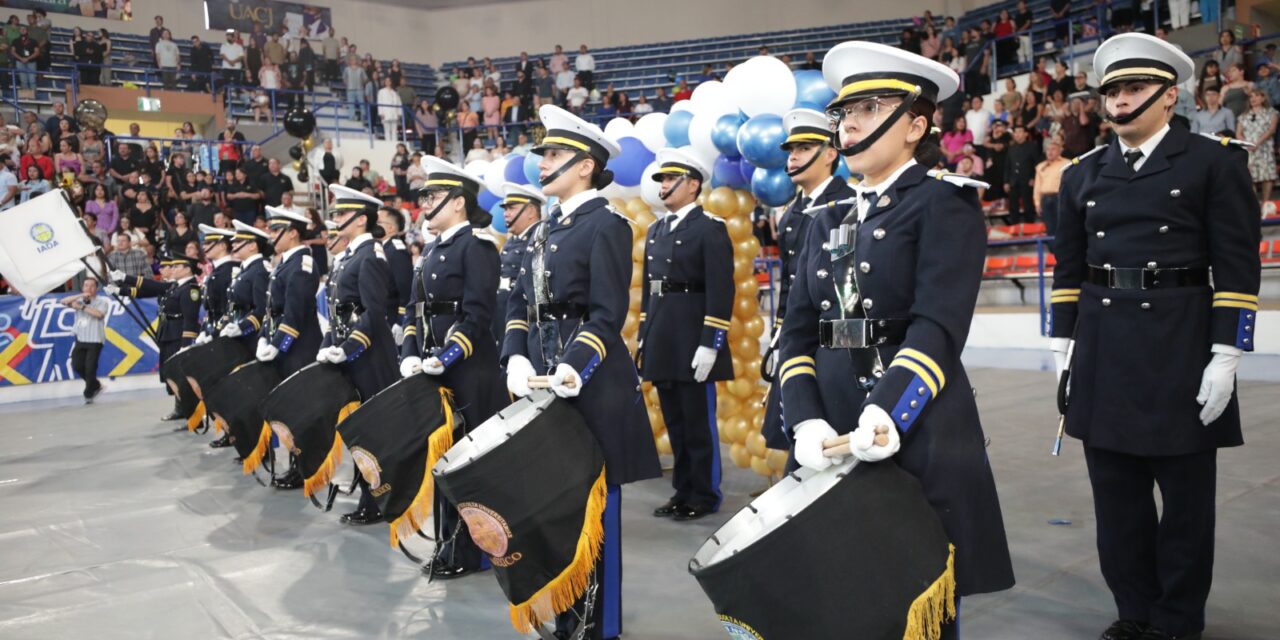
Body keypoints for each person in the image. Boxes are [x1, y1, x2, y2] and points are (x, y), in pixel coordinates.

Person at [779, 42, 1015, 639]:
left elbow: (937, 326)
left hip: (914, 427)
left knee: (915, 606)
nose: (850, 121)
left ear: (915, 124)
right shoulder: (824, 218)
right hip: (829, 424)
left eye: (872, 105)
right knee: (834, 596)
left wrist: (888, 407)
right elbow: (800, 329)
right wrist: (803, 418)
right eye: (845, 111)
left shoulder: (945, 203)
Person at [1050, 34, 1261, 640]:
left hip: (1181, 346)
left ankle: (1175, 621)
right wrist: (1062, 349)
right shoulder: (1085, 172)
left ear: (1170, 97)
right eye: (1111, 90)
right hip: (1104, 349)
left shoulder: (1213, 162)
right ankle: (1134, 613)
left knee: (1187, 507)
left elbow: (1238, 267)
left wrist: (1227, 353)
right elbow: (1068, 270)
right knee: (1117, 501)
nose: (1119, 101)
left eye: (1134, 89)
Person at [502, 105, 660, 640]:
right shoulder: (544, 230)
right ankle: (568, 607)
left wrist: (573, 366)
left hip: (589, 385)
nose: (542, 164)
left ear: (585, 165)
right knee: (557, 505)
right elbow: (522, 304)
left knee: (596, 511)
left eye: (553, 155)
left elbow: (606, 313)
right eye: (543, 153)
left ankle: (597, 622)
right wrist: (516, 354)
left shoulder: (607, 224)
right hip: (543, 383)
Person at [398, 157, 504, 579]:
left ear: (458, 202)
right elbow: (414, 308)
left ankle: (470, 550)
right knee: (442, 461)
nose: (425, 203)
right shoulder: (432, 250)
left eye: (434, 196)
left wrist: (447, 356)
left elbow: (478, 313)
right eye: (423, 196)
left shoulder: (476, 247)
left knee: (467, 464)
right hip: (432, 370)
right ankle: (449, 543)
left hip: (468, 372)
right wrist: (408, 349)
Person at [639, 149, 734, 522]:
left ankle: (705, 492)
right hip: (664, 335)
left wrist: (711, 343)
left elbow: (720, 289)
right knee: (676, 422)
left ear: (692, 184)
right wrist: (646, 335)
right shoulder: (656, 229)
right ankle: (683, 489)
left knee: (697, 422)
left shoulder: (709, 228)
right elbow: (650, 289)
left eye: (669, 179)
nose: (662, 186)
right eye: (661, 180)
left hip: (693, 334)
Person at [761, 108, 856, 451]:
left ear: (830, 154)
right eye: (791, 150)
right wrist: (780, 332)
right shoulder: (790, 213)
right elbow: (790, 283)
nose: (793, 157)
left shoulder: (849, 203)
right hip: (798, 337)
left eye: (803, 148)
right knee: (796, 439)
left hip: (838, 342)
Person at [317, 185, 399, 526]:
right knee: (358, 431)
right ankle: (368, 493)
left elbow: (375, 312)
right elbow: (339, 313)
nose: (335, 219)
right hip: (350, 356)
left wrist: (350, 346)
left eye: (340, 214)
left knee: (371, 433)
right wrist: (329, 345)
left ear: (360, 220)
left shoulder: (371, 255)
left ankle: (378, 500)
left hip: (368, 358)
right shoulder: (349, 256)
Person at [252, 206, 324, 480]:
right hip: (285, 347)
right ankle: (296, 464)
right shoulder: (285, 262)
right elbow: (273, 311)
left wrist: (278, 345)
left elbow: (295, 313)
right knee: (290, 411)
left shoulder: (302, 263)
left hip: (299, 349)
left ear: (293, 233)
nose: (271, 235)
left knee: (300, 410)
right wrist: (264, 339)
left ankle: (306, 466)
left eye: (276, 230)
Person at [108, 254, 203, 421]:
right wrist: (122, 285)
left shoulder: (190, 289)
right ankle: (181, 409)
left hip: (178, 335)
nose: (171, 269)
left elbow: (190, 319)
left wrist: (186, 344)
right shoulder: (175, 286)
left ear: (188, 269)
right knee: (171, 374)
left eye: (176, 267)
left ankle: (193, 415)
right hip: (168, 332)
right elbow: (151, 287)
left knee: (182, 377)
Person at [493, 182, 544, 346]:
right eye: (505, 209)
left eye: (511, 208)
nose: (506, 214)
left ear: (530, 211)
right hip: (504, 311)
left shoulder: (540, 238)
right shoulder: (512, 241)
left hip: (524, 316)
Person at [60, 277, 111, 404]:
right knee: (77, 365)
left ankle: (89, 392)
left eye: (92, 286)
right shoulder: (79, 299)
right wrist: (81, 296)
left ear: (96, 288)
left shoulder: (102, 301)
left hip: (95, 340)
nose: (89, 288)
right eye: (86, 285)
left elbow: (99, 314)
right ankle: (96, 384)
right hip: (81, 338)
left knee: (90, 368)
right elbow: (63, 301)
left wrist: (81, 307)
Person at [377, 205, 413, 339]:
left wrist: (400, 320)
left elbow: (405, 289)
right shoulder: (383, 248)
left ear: (391, 228)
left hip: (392, 317)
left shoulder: (396, 251)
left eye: (378, 222)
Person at [1238, 88, 1278, 203]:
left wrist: (1257, 143)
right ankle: (1255, 204)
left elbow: (1272, 130)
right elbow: (1238, 133)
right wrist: (1247, 144)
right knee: (1250, 177)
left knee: (1267, 176)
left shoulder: (1271, 112)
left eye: (1256, 96)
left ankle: (1266, 203)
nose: (1253, 98)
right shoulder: (1244, 115)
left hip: (1264, 148)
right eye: (1251, 96)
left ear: (1263, 98)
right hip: (1248, 149)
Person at [1004, 123, 1042, 223]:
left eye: (1020, 132)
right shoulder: (1011, 148)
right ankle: (1014, 228)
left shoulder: (1032, 146)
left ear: (1026, 134)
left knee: (1028, 206)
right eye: (1015, 132)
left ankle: (1030, 229)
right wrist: (1006, 181)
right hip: (1013, 181)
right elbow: (1007, 166)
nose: (1017, 134)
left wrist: (1034, 178)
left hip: (1027, 181)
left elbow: (1038, 164)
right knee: (1013, 207)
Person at [1033, 138, 1070, 239]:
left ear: (1060, 151)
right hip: (1045, 198)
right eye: (1048, 149)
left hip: (1060, 197)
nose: (1050, 152)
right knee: (1049, 227)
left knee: (1062, 225)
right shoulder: (1040, 166)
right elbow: (1037, 186)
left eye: (1053, 149)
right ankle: (1053, 252)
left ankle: (1064, 251)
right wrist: (1037, 203)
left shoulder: (1067, 164)